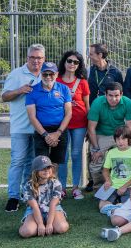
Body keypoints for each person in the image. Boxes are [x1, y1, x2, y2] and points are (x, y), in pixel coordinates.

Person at [55, 50, 90, 197]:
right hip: (62, 124)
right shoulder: (56, 80)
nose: (72, 64)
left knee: (76, 154)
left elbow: (87, 106)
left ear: (79, 65)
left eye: (76, 62)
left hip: (79, 123)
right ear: (64, 62)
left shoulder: (82, 82)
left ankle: (76, 187)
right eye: (69, 61)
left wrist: (89, 126)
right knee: (63, 155)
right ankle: (62, 187)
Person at [87, 83, 131, 188]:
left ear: (121, 94)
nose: (114, 99)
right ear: (105, 94)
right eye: (110, 95)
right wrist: (96, 149)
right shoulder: (97, 103)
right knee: (97, 161)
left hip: (120, 134)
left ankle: (122, 186)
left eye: (117, 95)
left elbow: (130, 127)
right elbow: (91, 128)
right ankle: (99, 188)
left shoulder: (128, 102)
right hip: (101, 134)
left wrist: (127, 146)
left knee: (124, 158)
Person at [26, 62, 72, 167]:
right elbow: (32, 117)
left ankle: (53, 184)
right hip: (41, 131)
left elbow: (68, 113)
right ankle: (42, 184)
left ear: (56, 74)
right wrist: (46, 135)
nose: (48, 77)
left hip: (59, 130)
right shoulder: (32, 91)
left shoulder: (64, 89)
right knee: (42, 166)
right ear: (40, 74)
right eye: (45, 74)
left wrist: (58, 133)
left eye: (51, 74)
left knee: (55, 164)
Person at [18, 155, 69, 238]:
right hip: (34, 210)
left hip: (53, 209)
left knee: (62, 228)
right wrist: (40, 224)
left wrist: (49, 224)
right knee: (27, 232)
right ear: (35, 171)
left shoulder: (56, 183)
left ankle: (50, 223)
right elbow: (34, 206)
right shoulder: (28, 185)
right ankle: (31, 224)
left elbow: (53, 205)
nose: (46, 171)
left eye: (48, 167)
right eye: (43, 168)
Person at [97, 126, 131, 215]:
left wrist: (124, 186)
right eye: (118, 139)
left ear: (129, 139)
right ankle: (117, 208)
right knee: (101, 206)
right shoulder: (111, 152)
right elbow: (105, 170)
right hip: (112, 186)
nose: (120, 142)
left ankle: (116, 208)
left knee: (130, 205)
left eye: (123, 139)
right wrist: (108, 180)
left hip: (129, 187)